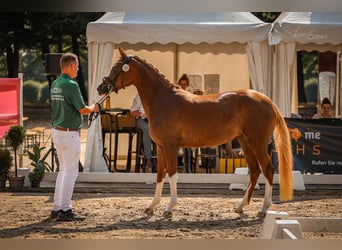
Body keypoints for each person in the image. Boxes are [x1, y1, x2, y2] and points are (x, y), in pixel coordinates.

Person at [50, 52, 100, 221]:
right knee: (70, 173)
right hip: (69, 134)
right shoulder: (72, 85)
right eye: (77, 66)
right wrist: (95, 107)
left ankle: (57, 208)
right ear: (71, 66)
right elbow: (82, 109)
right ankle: (65, 209)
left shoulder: (55, 83)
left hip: (57, 131)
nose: (78, 69)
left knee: (63, 171)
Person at [130, 94, 157, 172]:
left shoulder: (158, 95)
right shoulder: (139, 96)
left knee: (159, 129)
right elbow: (132, 112)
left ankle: (156, 158)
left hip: (154, 120)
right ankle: (148, 158)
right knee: (147, 128)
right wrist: (142, 114)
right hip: (142, 119)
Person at [177, 74, 193, 173]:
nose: (183, 86)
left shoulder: (188, 95)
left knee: (188, 145)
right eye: (181, 84)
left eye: (184, 84)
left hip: (186, 124)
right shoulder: (175, 94)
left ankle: (188, 167)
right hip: (178, 124)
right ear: (179, 84)